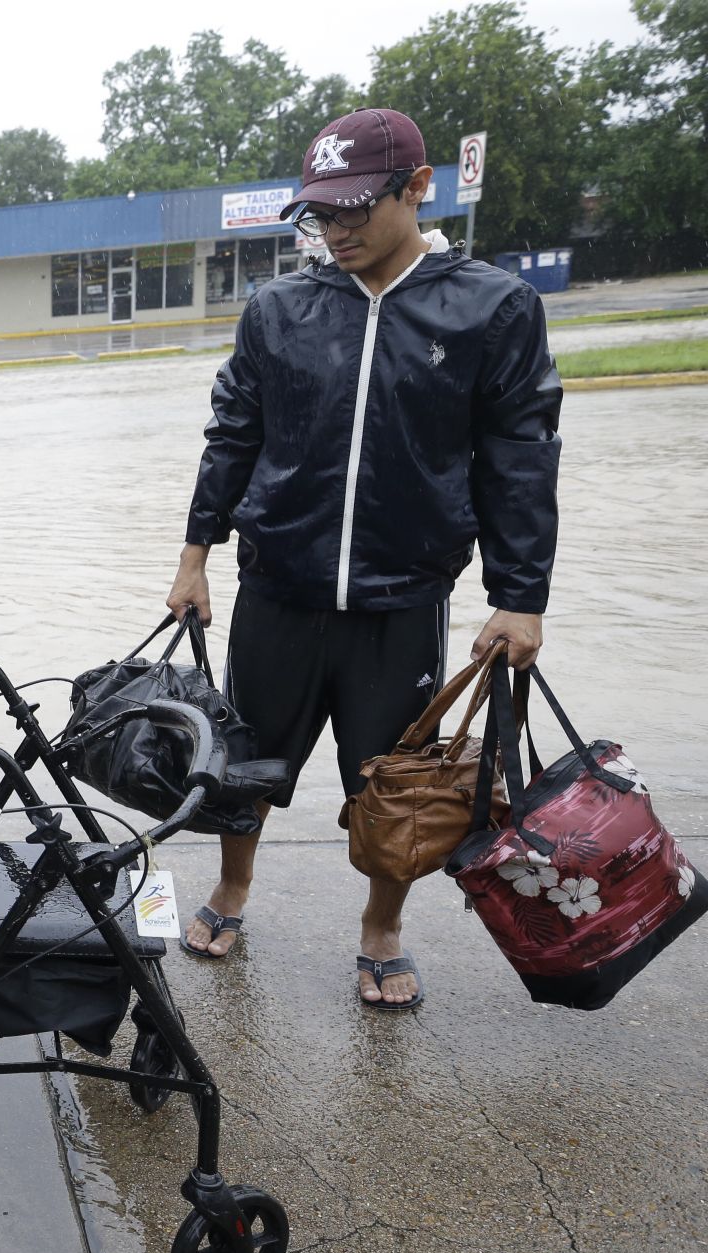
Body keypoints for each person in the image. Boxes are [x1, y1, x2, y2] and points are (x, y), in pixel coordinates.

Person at [164, 108, 562, 1009]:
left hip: (402, 601)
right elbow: (233, 436)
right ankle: (232, 890)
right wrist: (196, 555)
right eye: (320, 215)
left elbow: (520, 457)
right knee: (244, 763)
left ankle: (380, 927)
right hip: (278, 589)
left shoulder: (491, 310)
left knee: (397, 786)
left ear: (418, 188)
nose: (336, 232)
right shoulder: (278, 311)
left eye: (355, 210)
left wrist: (521, 597)